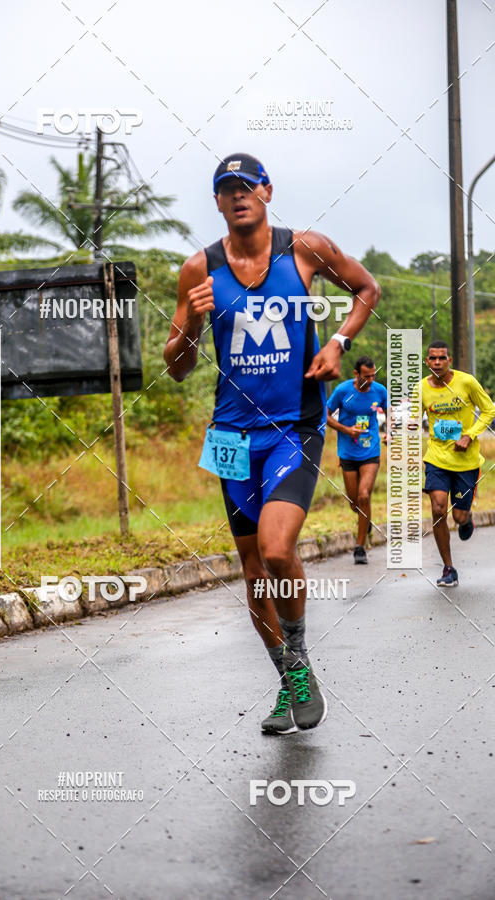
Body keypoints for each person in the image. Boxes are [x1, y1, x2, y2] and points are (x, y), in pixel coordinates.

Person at [163, 152, 380, 734]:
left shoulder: (304, 248)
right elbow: (177, 366)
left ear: (266, 190)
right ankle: (288, 682)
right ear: (216, 201)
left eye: (246, 186)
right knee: (254, 570)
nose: (237, 196)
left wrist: (336, 342)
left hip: (295, 425)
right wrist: (190, 321)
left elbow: (366, 288)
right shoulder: (198, 269)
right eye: (225, 189)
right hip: (231, 435)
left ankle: (300, 663)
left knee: (278, 549)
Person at [420, 340, 495, 587]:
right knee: (439, 508)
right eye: (433, 358)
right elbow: (411, 418)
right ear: (427, 361)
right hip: (437, 458)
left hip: (465, 461)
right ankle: (448, 567)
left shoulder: (467, 382)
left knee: (459, 516)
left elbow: (489, 410)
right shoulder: (421, 388)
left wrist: (469, 434)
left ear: (449, 360)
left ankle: (466, 518)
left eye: (442, 358)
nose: (437, 363)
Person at [326, 356, 389, 564]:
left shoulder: (379, 391)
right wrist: (346, 430)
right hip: (347, 453)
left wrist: (389, 431)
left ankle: (360, 547)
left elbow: (391, 414)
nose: (370, 380)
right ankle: (365, 519)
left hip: (370, 451)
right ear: (356, 374)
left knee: (364, 496)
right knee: (354, 503)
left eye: (373, 376)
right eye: (366, 376)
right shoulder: (343, 391)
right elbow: (324, 416)